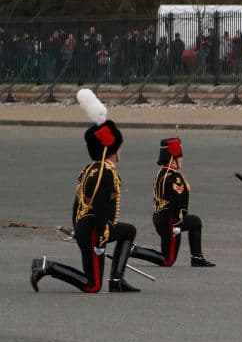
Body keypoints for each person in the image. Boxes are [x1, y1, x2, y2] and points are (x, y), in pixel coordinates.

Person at [30, 89, 141, 293]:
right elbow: (99, 207)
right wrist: (100, 238)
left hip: (88, 228)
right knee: (92, 285)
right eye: (118, 148)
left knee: (128, 231)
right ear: (111, 150)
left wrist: (78, 228)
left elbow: (77, 203)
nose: (121, 151)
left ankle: (117, 280)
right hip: (93, 230)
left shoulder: (90, 169)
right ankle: (47, 266)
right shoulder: (104, 173)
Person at [129, 137, 215, 268]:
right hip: (170, 221)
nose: (181, 160)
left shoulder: (161, 173)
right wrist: (176, 224)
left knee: (195, 222)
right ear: (172, 159)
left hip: (160, 218)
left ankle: (197, 257)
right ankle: (135, 250)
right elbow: (176, 202)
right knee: (167, 260)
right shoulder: (176, 177)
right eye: (179, 157)